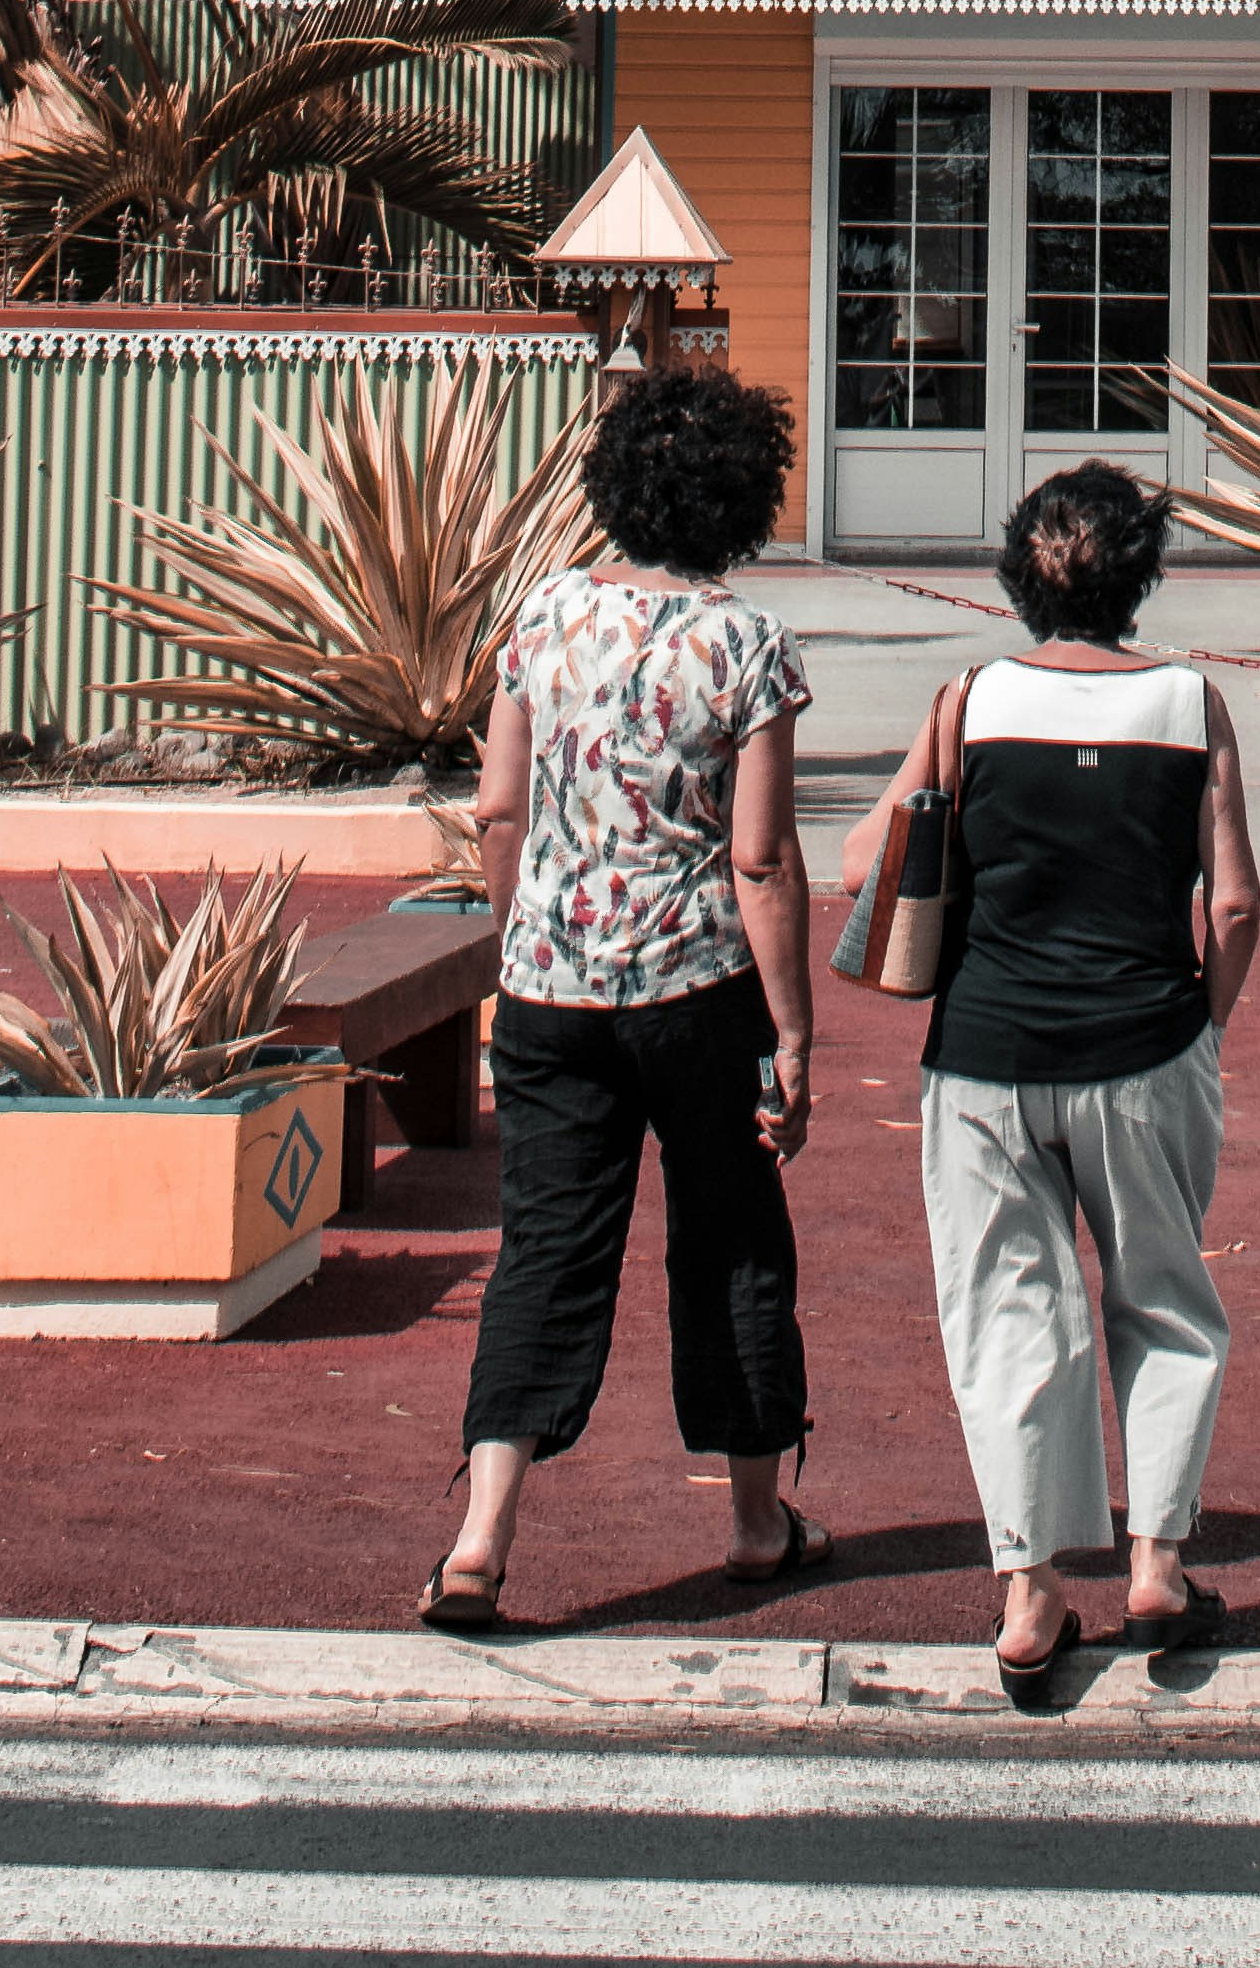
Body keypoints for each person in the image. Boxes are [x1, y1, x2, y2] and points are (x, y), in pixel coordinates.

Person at [846, 455, 1260, 1706]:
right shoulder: (1192, 703)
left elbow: (868, 860)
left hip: (984, 1055)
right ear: (1143, 574)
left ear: (1017, 573)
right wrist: (1203, 1029)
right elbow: (1233, 901)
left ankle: (1031, 1592)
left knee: (1007, 1313)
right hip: (1142, 1041)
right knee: (1164, 1300)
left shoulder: (967, 698)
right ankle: (1156, 1563)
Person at [426, 365, 818, 1636]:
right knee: (732, 1242)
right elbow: (759, 858)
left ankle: (482, 1534)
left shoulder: (541, 617)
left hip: (548, 987)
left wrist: (519, 942)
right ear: (741, 502)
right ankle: (758, 1522)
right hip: (697, 985)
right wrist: (795, 1028)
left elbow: (497, 808)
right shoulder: (745, 643)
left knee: (544, 1248)